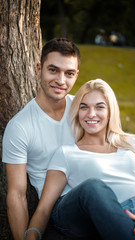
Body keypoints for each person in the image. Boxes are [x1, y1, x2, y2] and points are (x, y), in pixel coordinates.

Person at [25, 79, 135, 240]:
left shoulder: (128, 142)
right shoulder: (66, 153)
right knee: (92, 186)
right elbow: (44, 209)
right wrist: (31, 235)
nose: (91, 114)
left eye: (99, 107)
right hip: (112, 214)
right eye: (84, 107)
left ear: (110, 111)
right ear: (77, 112)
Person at [2, 38, 80, 240]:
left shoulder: (84, 111)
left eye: (69, 73)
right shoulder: (20, 126)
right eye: (53, 70)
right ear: (39, 69)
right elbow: (17, 195)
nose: (61, 81)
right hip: (57, 212)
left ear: (76, 76)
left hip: (95, 202)